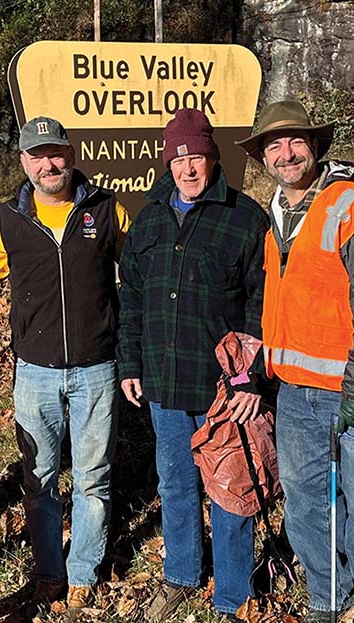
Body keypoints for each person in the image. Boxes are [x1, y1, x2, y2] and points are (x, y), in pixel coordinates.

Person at [237, 100, 354, 622]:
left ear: (314, 146)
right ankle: (330, 598)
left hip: (350, 395)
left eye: (295, 142)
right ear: (264, 157)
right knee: (306, 509)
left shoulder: (352, 209)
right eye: (273, 145)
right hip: (292, 394)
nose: (285, 154)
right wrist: (258, 373)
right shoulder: (274, 217)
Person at [0, 116, 130, 620]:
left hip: (97, 369)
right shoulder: (8, 218)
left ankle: (82, 573)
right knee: (38, 478)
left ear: (71, 153)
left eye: (56, 152)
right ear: (24, 162)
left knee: (92, 478)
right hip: (34, 371)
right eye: (38, 155)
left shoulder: (106, 210)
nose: (49, 163)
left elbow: (141, 274)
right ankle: (49, 571)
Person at [117, 108, 269, 623]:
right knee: (175, 483)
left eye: (196, 157)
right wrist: (130, 363)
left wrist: (251, 379)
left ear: (212, 158)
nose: (188, 168)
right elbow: (132, 297)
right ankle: (181, 575)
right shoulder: (150, 216)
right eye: (178, 158)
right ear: (168, 163)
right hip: (162, 381)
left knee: (230, 486)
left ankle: (231, 594)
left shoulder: (246, 218)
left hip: (223, 388)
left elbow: (261, 306)